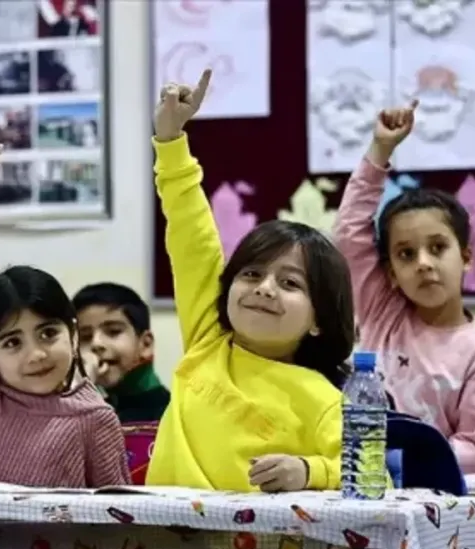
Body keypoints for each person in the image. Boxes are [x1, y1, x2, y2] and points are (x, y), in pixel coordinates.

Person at [145, 70, 355, 493]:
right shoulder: (209, 339)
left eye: (291, 284)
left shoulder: (323, 399)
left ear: (319, 320)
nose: (264, 288)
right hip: (155, 546)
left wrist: (309, 471)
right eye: (252, 274)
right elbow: (192, 234)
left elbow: (373, 478)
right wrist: (170, 142)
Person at [333, 101, 475, 475]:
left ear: (466, 256)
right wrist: (380, 150)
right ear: (391, 273)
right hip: (368, 487)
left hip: (438, 507)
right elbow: (349, 233)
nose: (423, 263)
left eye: (437, 248)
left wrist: (400, 462)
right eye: (406, 254)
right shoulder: (383, 312)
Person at [0, 145, 129, 488]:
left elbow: (117, 521)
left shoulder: (95, 419)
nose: (35, 354)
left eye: (48, 333)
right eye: (12, 342)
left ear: (74, 335)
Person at [73, 283, 169, 423]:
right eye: (85, 337)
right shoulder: (90, 408)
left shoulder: (172, 414)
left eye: (113, 332)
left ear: (146, 344)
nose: (96, 343)